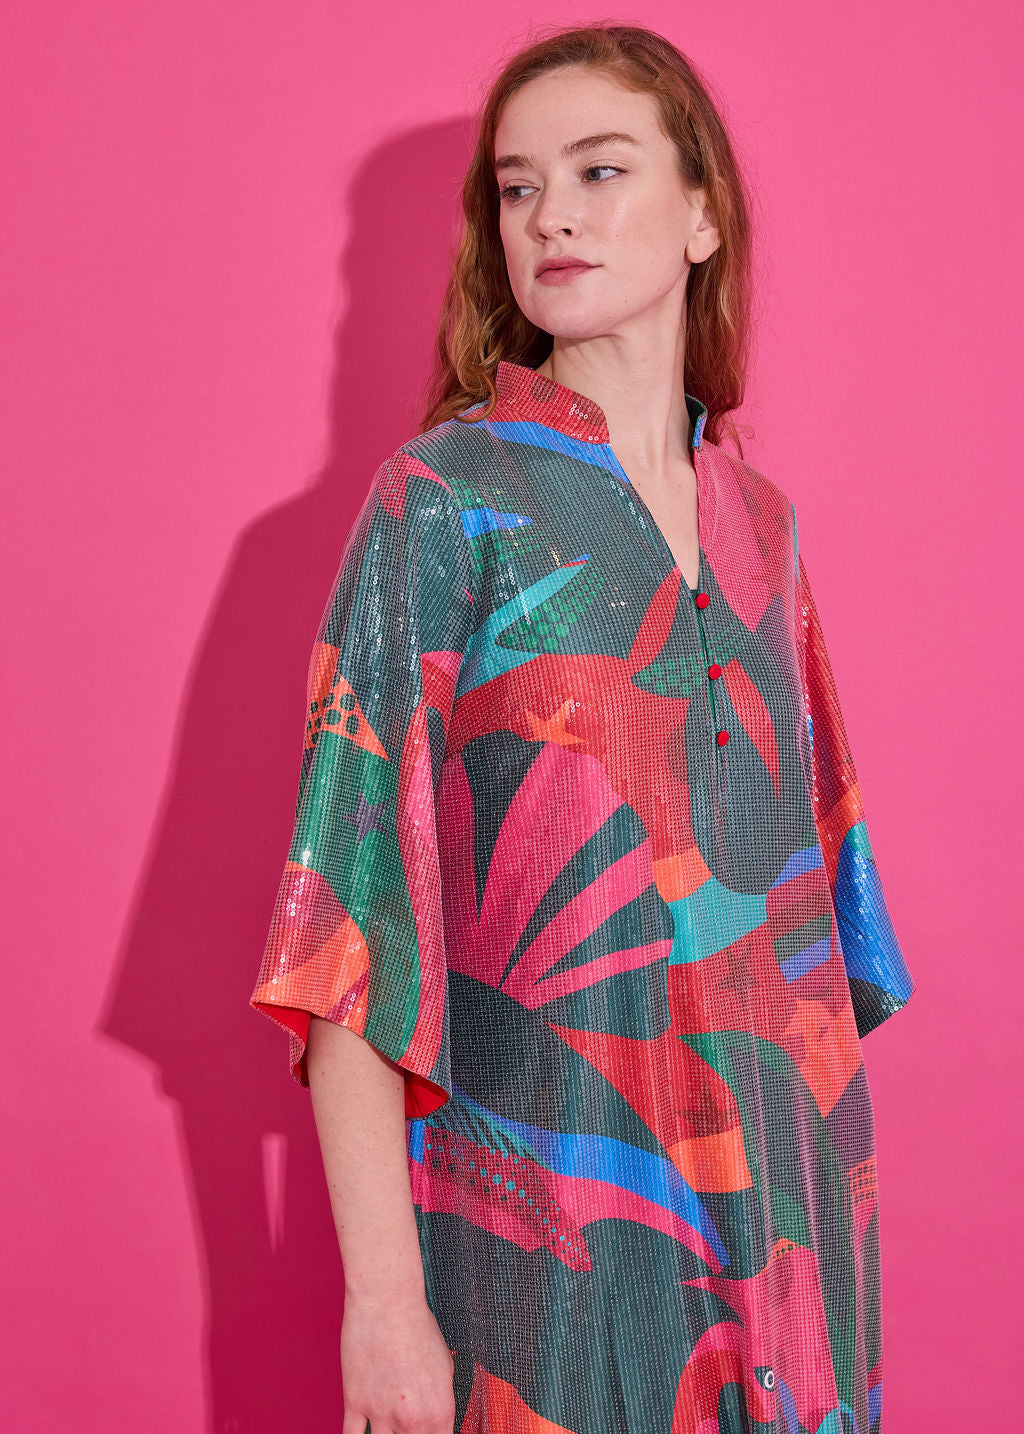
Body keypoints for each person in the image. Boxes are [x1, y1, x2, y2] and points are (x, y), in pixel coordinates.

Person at [250, 22, 915, 1434]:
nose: (549, 214)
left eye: (600, 171)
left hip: (796, 1270)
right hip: (552, 1273)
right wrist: (385, 1303)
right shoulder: (443, 502)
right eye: (517, 185)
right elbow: (348, 938)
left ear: (702, 216)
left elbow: (814, 944)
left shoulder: (766, 532)